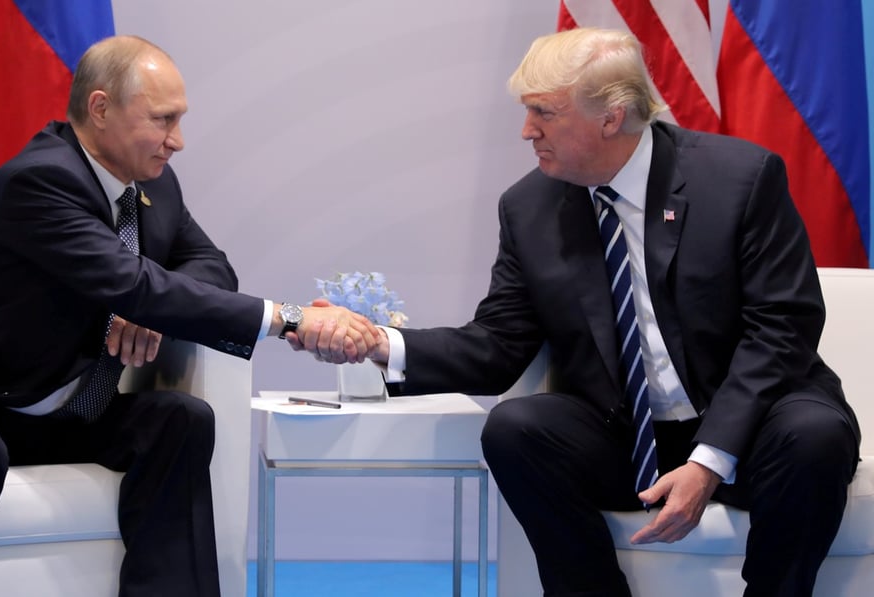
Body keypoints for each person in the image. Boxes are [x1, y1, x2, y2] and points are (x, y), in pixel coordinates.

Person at [298, 27, 860, 596]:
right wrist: (379, 344)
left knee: (814, 434)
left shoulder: (739, 179)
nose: (527, 130)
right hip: (625, 434)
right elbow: (497, 345)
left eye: (543, 112)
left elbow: (782, 326)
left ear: (611, 118)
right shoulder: (529, 207)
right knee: (517, 430)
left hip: (751, 423)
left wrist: (709, 460)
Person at [0, 35, 377, 597]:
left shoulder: (152, 185)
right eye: (163, 120)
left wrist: (151, 310)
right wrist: (288, 317)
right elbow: (130, 283)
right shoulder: (38, 180)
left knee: (181, 418)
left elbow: (212, 266)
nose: (177, 141)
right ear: (100, 108)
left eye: (179, 120)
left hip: (73, 415)